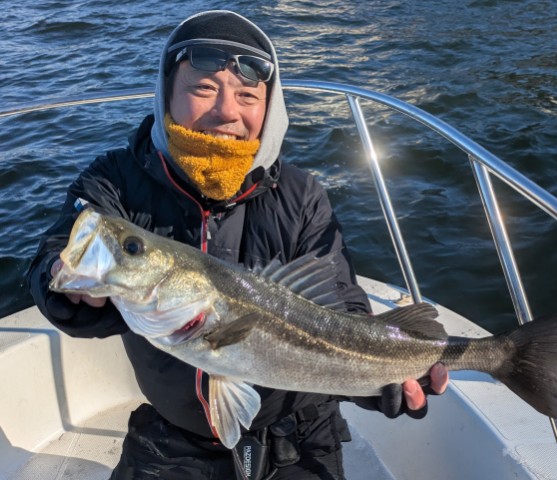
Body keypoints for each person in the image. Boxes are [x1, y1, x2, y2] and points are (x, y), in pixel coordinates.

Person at [27, 10, 448, 480]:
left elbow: (342, 309)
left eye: (247, 95)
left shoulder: (301, 194)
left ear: (270, 108)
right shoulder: (115, 179)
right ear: (166, 93)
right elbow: (55, 254)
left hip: (299, 432)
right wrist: (62, 284)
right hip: (172, 434)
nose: (227, 111)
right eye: (203, 88)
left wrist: (379, 382)